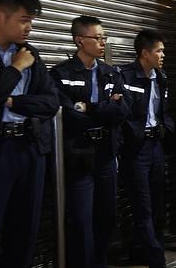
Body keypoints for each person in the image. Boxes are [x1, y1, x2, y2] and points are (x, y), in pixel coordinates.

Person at [0, 0, 59, 268]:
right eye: (24, 19)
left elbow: (50, 102)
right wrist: (16, 68)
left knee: (24, 232)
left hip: (29, 149)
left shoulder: (30, 53)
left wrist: (10, 101)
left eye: (31, 21)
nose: (29, 27)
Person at [49, 15, 130, 268]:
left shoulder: (111, 72)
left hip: (106, 153)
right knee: (81, 220)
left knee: (107, 217)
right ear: (80, 41)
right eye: (97, 37)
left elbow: (122, 112)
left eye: (104, 37)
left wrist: (89, 108)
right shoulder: (60, 74)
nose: (103, 42)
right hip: (78, 155)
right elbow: (69, 117)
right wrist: (104, 109)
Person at [120, 30, 174, 268]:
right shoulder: (125, 76)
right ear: (144, 53)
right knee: (141, 204)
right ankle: (155, 258)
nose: (163, 55)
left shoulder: (161, 77)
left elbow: (164, 111)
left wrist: (165, 128)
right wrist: (133, 135)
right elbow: (123, 114)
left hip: (156, 146)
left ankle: (147, 249)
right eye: (159, 51)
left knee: (157, 203)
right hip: (136, 149)